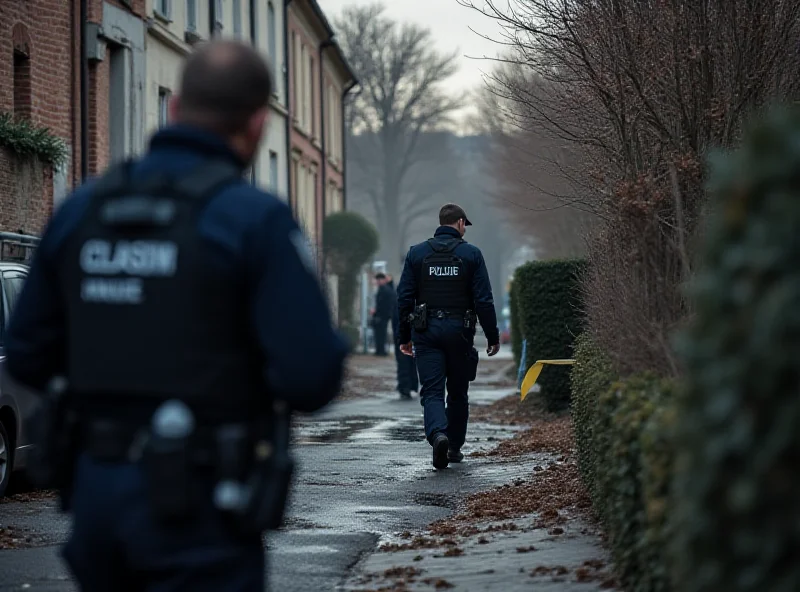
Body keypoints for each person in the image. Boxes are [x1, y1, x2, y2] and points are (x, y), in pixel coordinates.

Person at [4, 40, 348, 591]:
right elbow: (311, 377)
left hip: (96, 496)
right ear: (258, 124)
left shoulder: (83, 209)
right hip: (203, 500)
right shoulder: (253, 220)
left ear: (174, 107)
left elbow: (25, 351)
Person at [396, 204, 500, 469]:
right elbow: (484, 300)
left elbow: (404, 298)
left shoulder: (416, 254)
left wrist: (403, 336)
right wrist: (492, 336)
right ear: (461, 223)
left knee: (431, 391)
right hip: (460, 333)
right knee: (457, 392)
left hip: (426, 332)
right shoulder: (471, 254)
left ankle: (437, 434)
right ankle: (453, 446)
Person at [388, 274, 418, 399]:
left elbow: (397, 318)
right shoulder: (417, 297)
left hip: (402, 333)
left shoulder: (400, 299)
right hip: (414, 333)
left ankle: (404, 386)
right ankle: (412, 385)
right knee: (412, 360)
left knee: (403, 360)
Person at [371, 272, 394, 356]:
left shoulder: (384, 289)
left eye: (379, 280)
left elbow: (382, 303)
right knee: (380, 333)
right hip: (383, 315)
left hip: (382, 315)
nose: (378, 282)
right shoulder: (385, 289)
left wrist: (376, 311)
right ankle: (380, 350)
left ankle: (380, 351)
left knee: (380, 333)